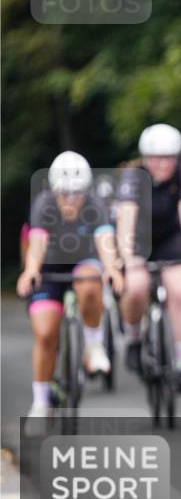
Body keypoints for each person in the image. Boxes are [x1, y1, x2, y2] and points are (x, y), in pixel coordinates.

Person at [16, 151, 124, 421]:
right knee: (45, 333)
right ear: (55, 190)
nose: (71, 200)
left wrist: (111, 268)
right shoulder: (43, 204)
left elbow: (105, 239)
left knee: (89, 284)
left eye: (77, 193)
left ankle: (94, 344)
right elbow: (37, 242)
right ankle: (41, 402)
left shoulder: (95, 204)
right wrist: (30, 271)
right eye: (65, 194)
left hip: (84, 261)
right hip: (49, 266)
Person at [116, 123, 181, 394]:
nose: (163, 164)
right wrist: (125, 256)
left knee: (180, 292)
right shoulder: (134, 176)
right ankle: (133, 338)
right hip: (139, 238)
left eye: (170, 157)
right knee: (135, 287)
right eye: (157, 158)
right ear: (146, 158)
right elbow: (126, 218)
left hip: (171, 238)